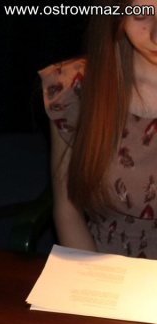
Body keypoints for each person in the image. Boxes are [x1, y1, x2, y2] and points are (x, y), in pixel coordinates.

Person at [39, 0, 157, 258]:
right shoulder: (76, 89)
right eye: (141, 15)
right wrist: (94, 277)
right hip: (106, 266)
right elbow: (68, 208)